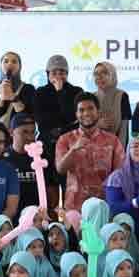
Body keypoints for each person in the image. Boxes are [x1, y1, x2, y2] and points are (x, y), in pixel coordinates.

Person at [56, 92, 125, 211]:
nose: (86, 113)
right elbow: (60, 169)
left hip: (103, 204)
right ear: (76, 115)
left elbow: (120, 174)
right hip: (75, 206)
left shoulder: (113, 140)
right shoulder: (65, 139)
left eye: (90, 108)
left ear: (98, 112)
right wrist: (73, 149)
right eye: (81, 110)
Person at [35, 54, 82, 211]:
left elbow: (72, 117)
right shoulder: (40, 92)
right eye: (54, 72)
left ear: (67, 74)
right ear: (47, 74)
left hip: (69, 148)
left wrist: (60, 92)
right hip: (47, 148)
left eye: (62, 72)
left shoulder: (76, 91)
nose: (58, 76)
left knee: (71, 193)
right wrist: (63, 125)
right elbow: (42, 122)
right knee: (50, 196)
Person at [3, 114, 47, 222]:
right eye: (25, 132)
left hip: (37, 219)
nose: (30, 137)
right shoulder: (1, 159)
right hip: (9, 220)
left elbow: (51, 190)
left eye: (33, 133)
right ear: (11, 132)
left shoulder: (41, 157)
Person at [0, 50, 37, 128]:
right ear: (0, 66)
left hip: (21, 138)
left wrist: (13, 98)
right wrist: (1, 97)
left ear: (20, 67)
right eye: (6, 61)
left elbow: (29, 119)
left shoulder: (28, 89)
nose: (10, 64)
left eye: (14, 62)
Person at [93, 60, 132, 149]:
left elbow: (124, 129)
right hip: (93, 149)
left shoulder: (122, 96)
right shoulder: (91, 97)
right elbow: (83, 126)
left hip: (115, 148)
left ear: (112, 75)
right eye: (96, 74)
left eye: (104, 73)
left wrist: (119, 152)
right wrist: (97, 124)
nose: (99, 77)